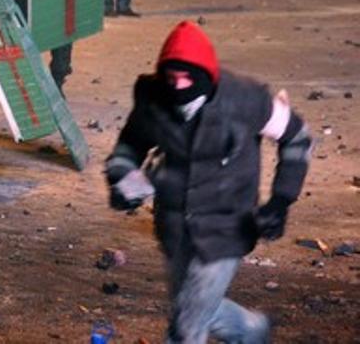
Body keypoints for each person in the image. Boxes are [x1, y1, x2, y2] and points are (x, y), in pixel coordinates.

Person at [104, 21, 311, 343]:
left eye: (187, 77)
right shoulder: (153, 99)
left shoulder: (246, 100)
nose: (179, 85)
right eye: (171, 77)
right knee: (191, 305)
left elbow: (296, 136)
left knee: (186, 328)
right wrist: (121, 178)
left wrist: (281, 200)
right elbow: (130, 143)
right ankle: (251, 330)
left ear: (206, 76)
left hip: (226, 226)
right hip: (174, 225)